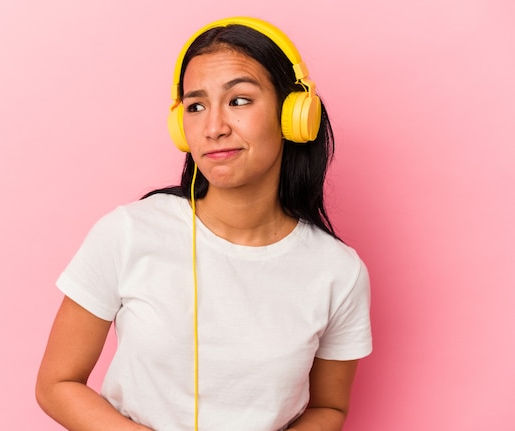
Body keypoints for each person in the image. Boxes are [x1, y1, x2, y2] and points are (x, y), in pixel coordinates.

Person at [36, 16, 372, 431]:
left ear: (293, 115)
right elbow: (56, 383)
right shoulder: (128, 233)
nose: (214, 128)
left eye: (239, 100)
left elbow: (329, 408)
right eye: (196, 106)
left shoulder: (338, 271)